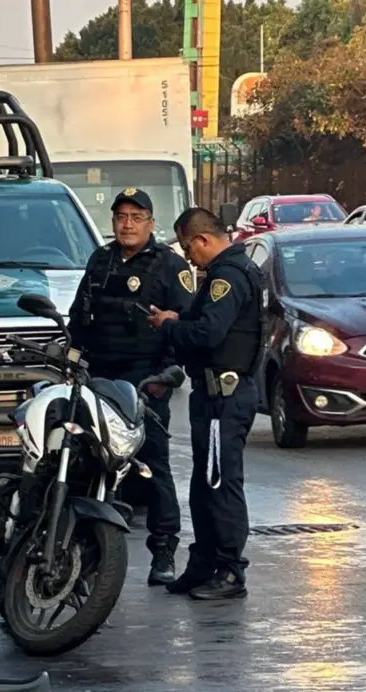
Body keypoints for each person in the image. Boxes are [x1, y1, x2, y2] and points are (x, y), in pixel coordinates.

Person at [68, 188, 195, 585]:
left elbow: (186, 327)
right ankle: (85, 554)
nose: (127, 223)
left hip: (145, 382)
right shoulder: (100, 260)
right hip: (99, 379)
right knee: (88, 465)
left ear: (150, 223)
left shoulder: (170, 266)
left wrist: (166, 376)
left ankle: (163, 553)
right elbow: (78, 317)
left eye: (136, 217)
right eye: (121, 216)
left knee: (151, 467)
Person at [148, 208, 263, 600]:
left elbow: (209, 333)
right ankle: (203, 564)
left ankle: (231, 571)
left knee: (222, 484)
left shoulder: (227, 278)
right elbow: (201, 320)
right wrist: (175, 317)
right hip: (213, 395)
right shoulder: (224, 273)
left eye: (188, 248)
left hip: (224, 398)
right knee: (204, 483)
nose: (188, 257)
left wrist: (168, 326)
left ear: (201, 240)